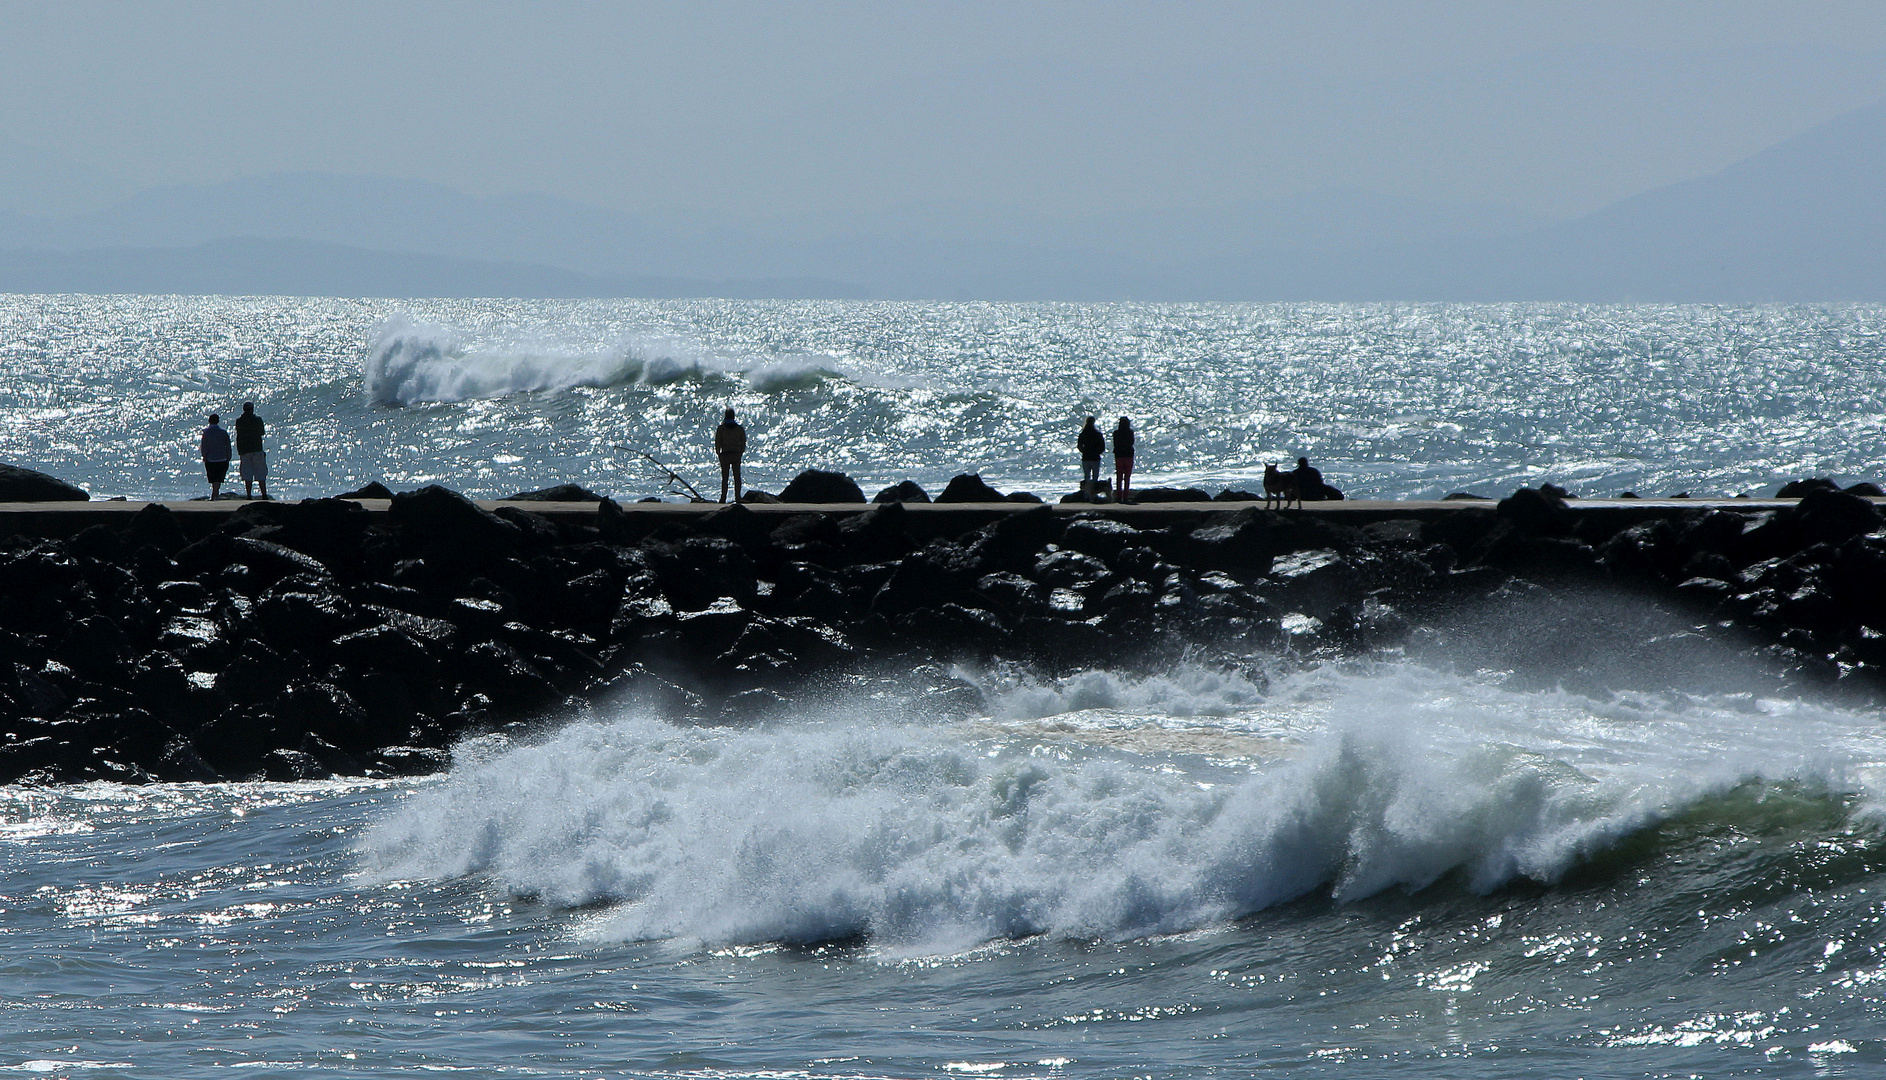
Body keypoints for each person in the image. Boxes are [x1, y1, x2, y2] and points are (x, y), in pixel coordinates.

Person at [235, 401, 268, 500]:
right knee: (260, 473)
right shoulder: (258, 420)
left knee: (247, 474)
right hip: (257, 449)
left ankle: (249, 495)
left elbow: (239, 434)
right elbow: (262, 432)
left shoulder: (239, 421)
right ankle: (264, 494)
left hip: (245, 450)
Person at [714, 407, 747, 503]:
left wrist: (718, 453)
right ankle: (738, 497)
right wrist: (741, 452)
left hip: (725, 454)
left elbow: (717, 442)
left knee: (725, 478)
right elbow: (743, 442)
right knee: (737, 477)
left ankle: (723, 497)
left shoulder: (721, 428)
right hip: (736, 454)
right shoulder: (739, 428)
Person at [199, 413, 232, 500]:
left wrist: (204, 456)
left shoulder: (206, 433)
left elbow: (204, 446)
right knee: (219, 478)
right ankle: (215, 493)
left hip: (211, 458)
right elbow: (228, 445)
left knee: (213, 478)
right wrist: (228, 456)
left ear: (209, 421)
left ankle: (215, 493)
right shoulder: (223, 432)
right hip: (222, 458)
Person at [1077, 416, 1106, 493]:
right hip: (1095, 457)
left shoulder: (1083, 433)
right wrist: (1097, 452)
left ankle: (1087, 493)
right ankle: (1094, 492)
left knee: (1087, 477)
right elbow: (1102, 447)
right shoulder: (1098, 434)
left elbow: (1079, 446)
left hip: (1086, 457)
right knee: (1095, 477)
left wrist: (1084, 451)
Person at [1112, 416, 1136, 503]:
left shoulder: (1116, 433)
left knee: (1119, 477)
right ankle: (1125, 496)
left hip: (1119, 455)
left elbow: (1115, 444)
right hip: (1128, 455)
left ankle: (1119, 496)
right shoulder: (1130, 432)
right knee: (1127, 477)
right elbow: (1132, 442)